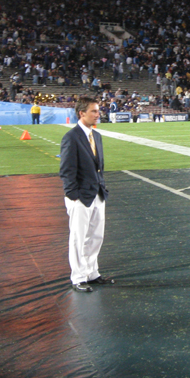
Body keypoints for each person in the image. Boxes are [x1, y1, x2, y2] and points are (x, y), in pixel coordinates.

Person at [59, 96, 113, 292]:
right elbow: (66, 170)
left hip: (97, 194)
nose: (98, 115)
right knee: (78, 238)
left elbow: (99, 167)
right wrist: (73, 195)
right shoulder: (71, 137)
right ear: (81, 113)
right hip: (81, 196)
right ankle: (78, 277)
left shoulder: (96, 136)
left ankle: (91, 273)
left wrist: (102, 187)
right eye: (94, 111)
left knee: (96, 236)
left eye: (98, 111)